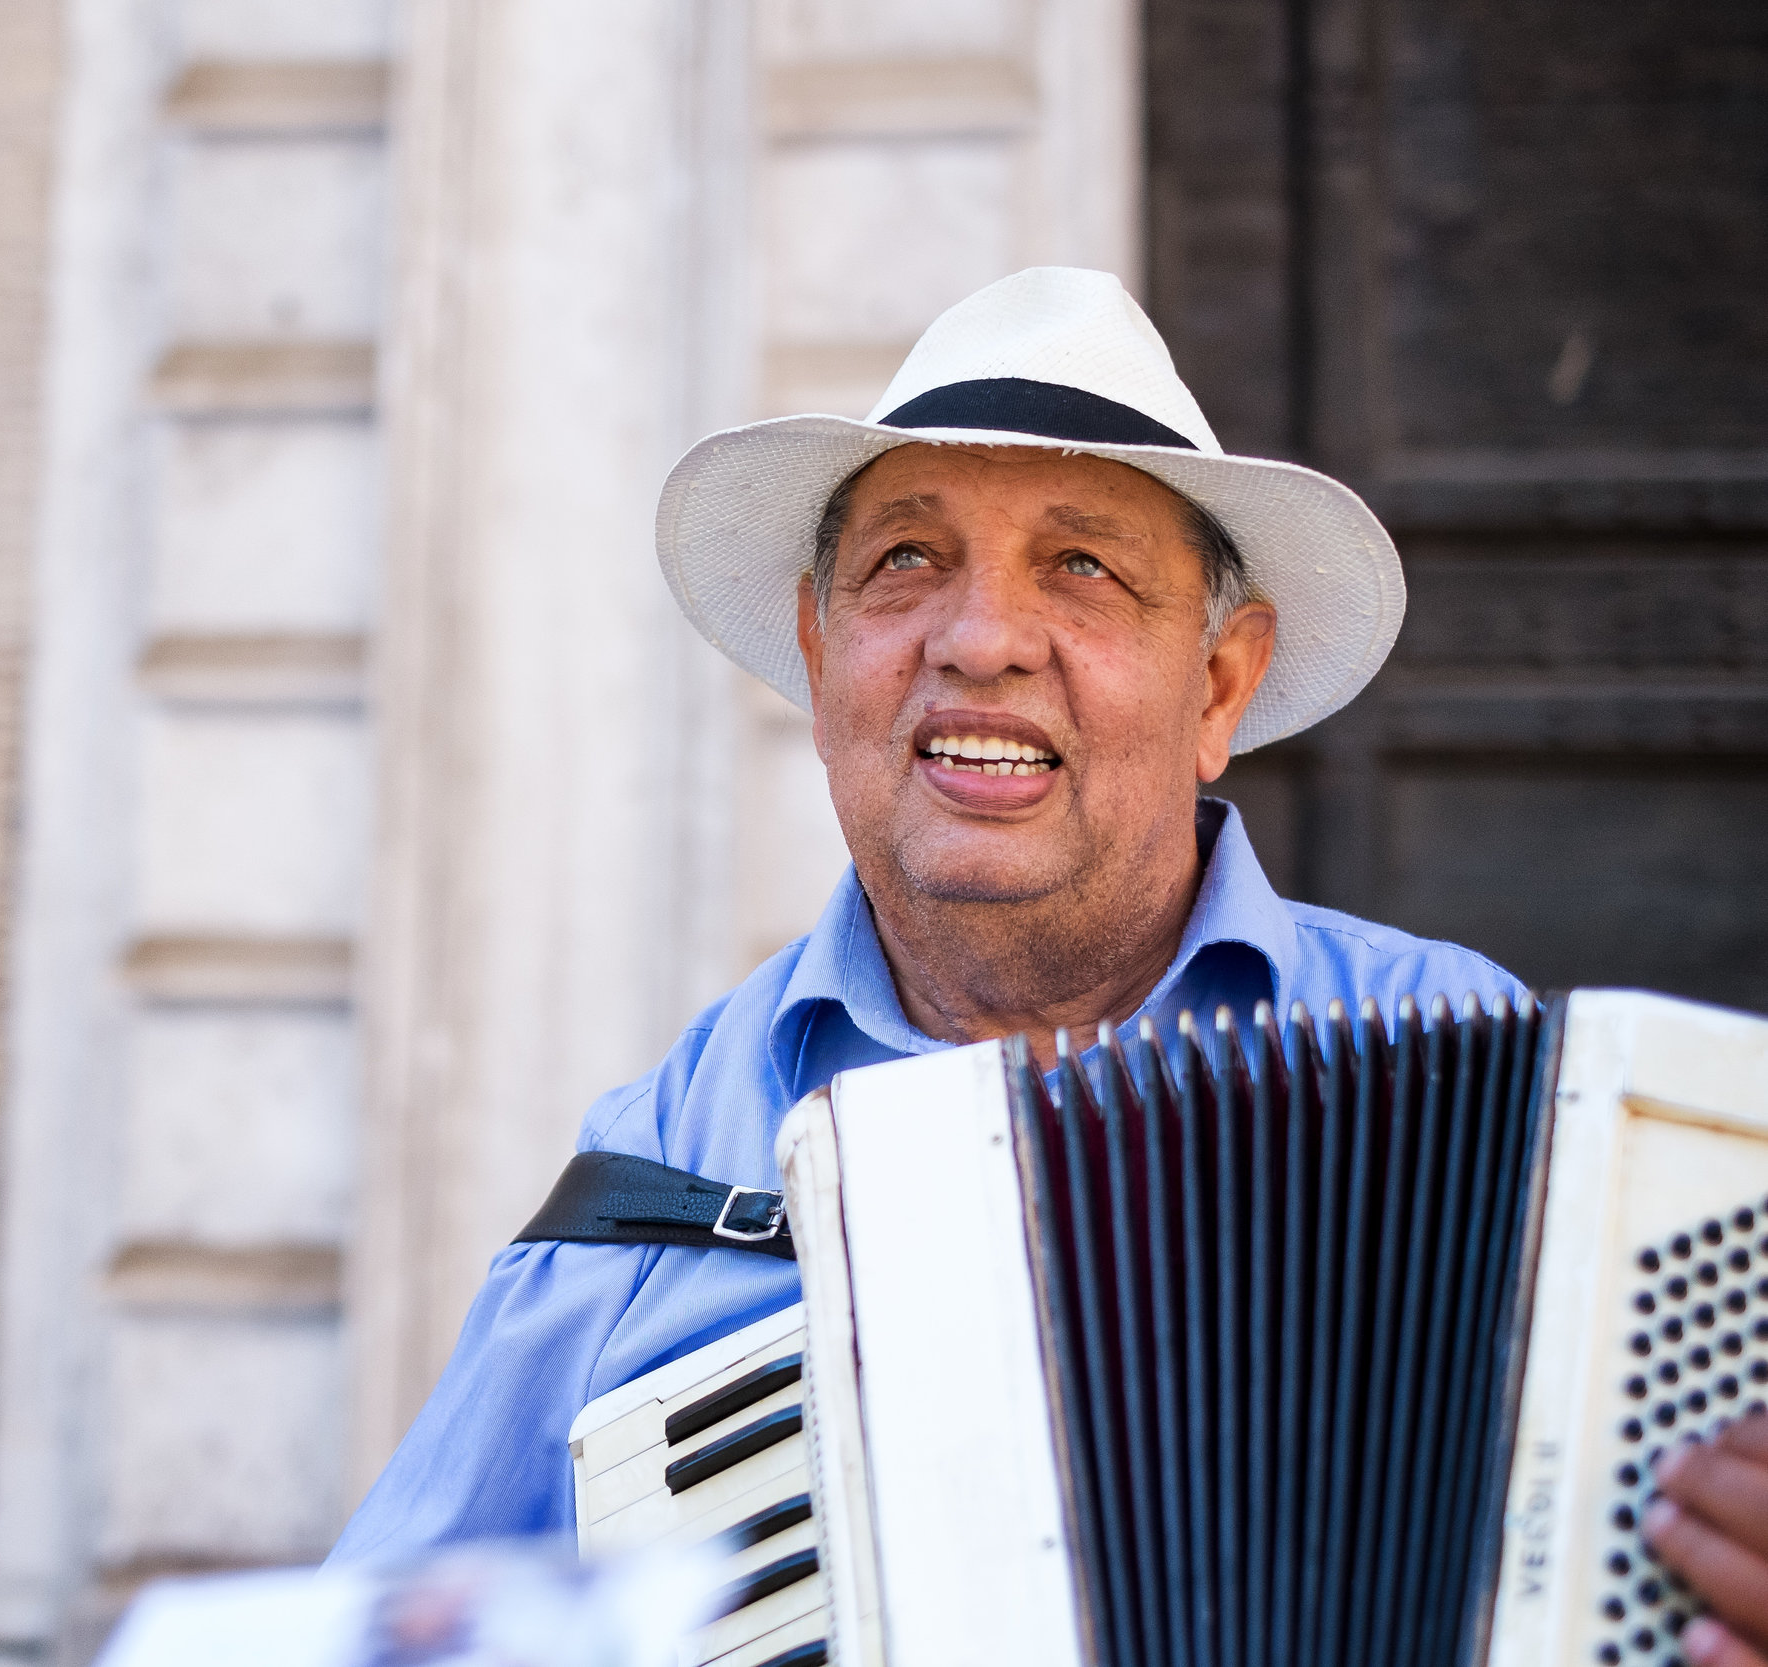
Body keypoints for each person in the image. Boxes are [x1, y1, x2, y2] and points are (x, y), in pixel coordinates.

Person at [327, 267, 1768, 1667]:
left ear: (1219, 684)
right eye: (908, 562)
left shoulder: (1470, 1066)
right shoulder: (664, 1167)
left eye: (1082, 568)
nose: (983, 640)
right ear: (825, 658)